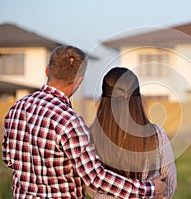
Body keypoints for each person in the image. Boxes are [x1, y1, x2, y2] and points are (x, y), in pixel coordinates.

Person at [2, 46, 167, 198]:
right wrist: (150, 189)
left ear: (47, 70)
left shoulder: (17, 108)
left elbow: (8, 159)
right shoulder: (70, 122)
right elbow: (95, 178)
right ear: (79, 80)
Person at [86, 67, 177, 199]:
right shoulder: (157, 135)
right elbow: (168, 188)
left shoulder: (89, 138)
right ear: (138, 100)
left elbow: (91, 186)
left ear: (103, 100)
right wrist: (149, 191)